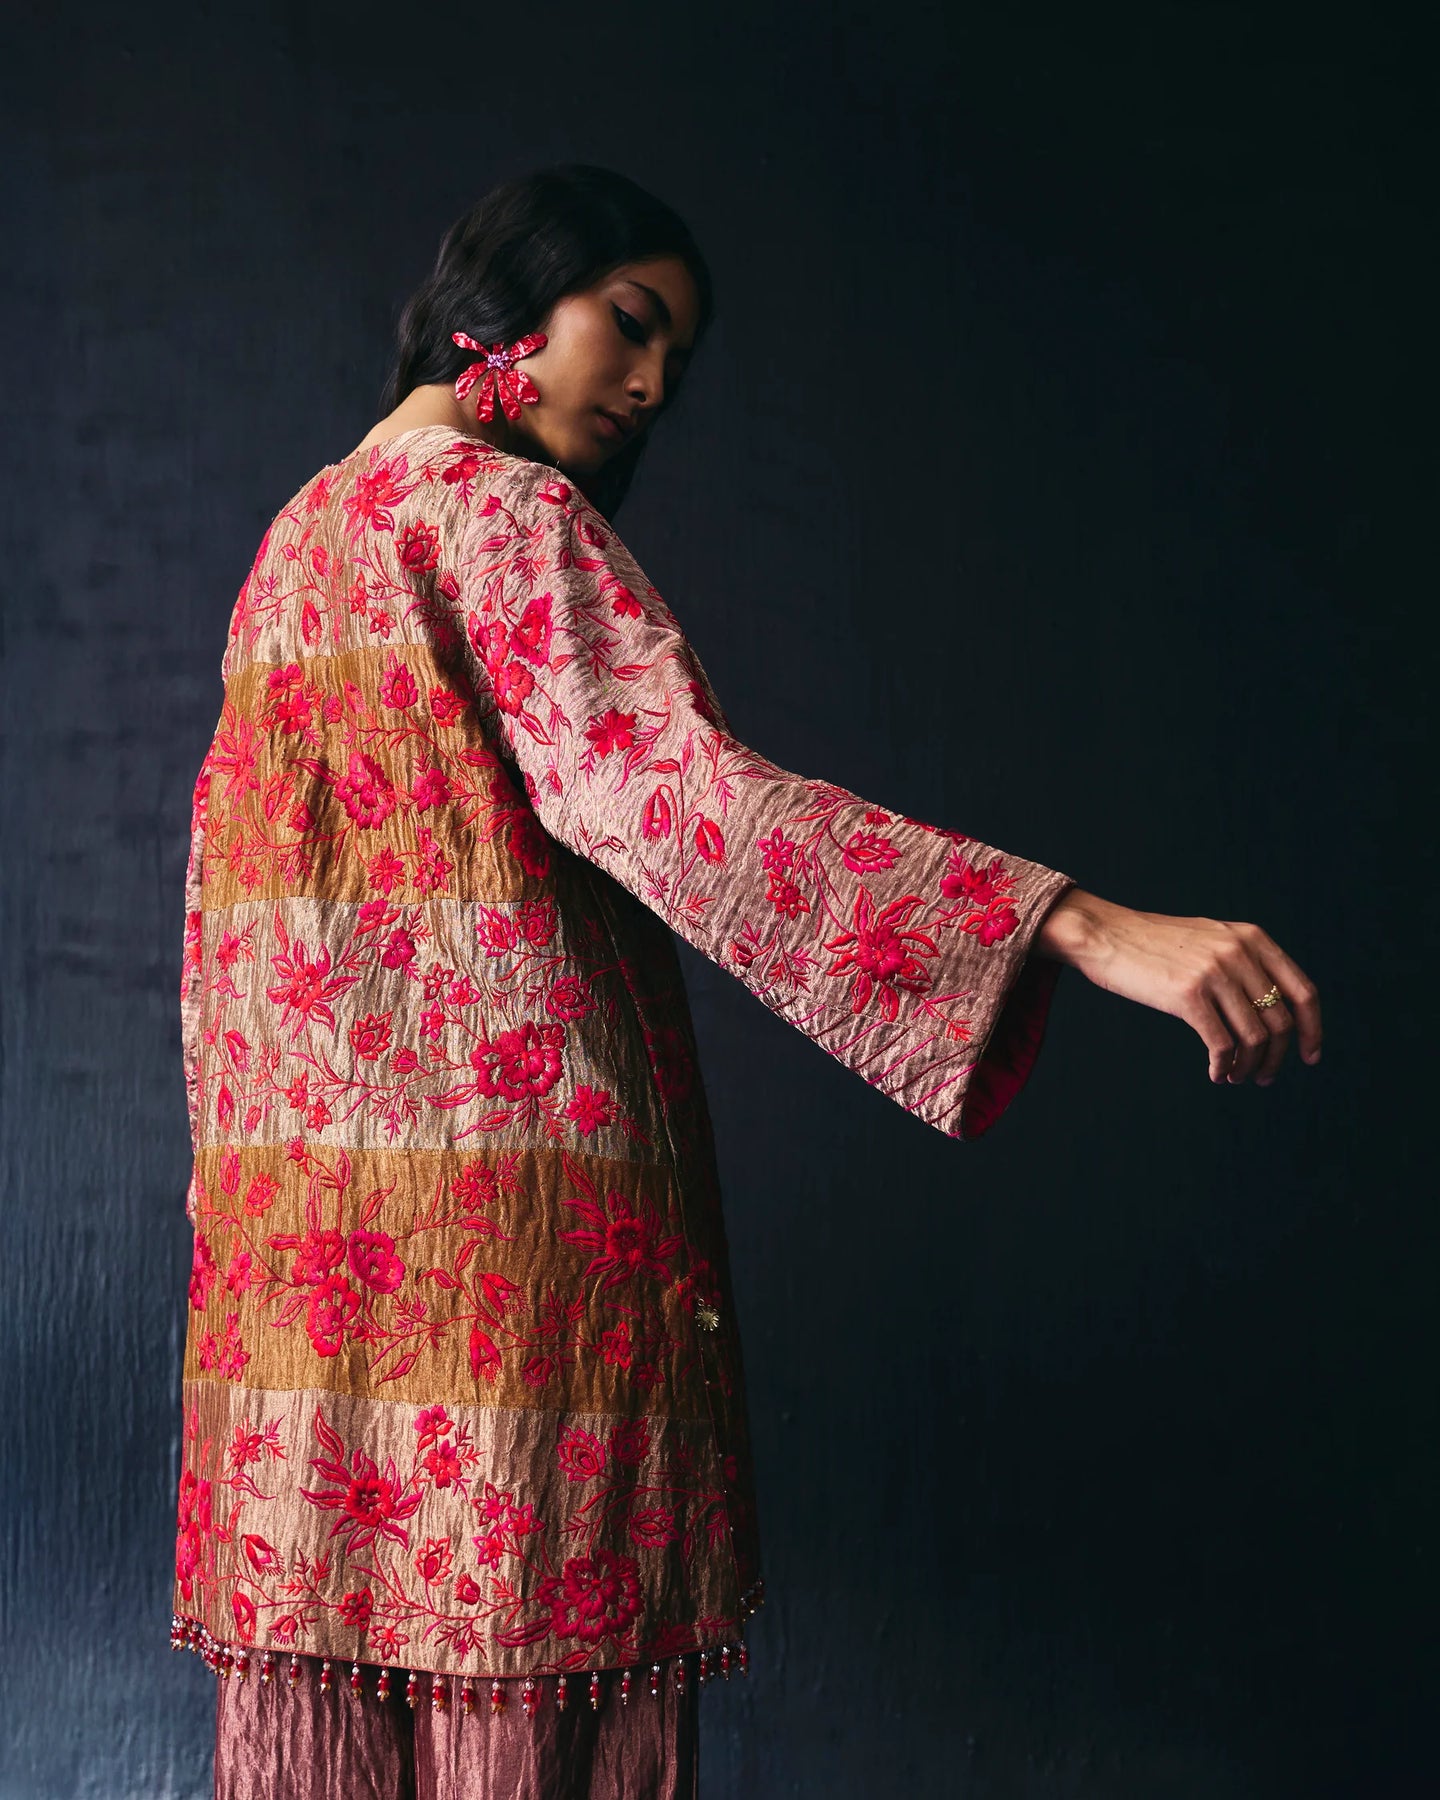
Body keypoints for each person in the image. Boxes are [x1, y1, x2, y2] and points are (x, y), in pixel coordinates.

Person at [174, 164, 1322, 1800]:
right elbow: (673, 802)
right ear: (505, 298)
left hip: (304, 1271)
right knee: (529, 1679)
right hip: (510, 1244)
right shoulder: (501, 516)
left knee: (342, 1674)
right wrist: (1073, 923)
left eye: (677, 362)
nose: (651, 386)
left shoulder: (295, 542)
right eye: (632, 323)